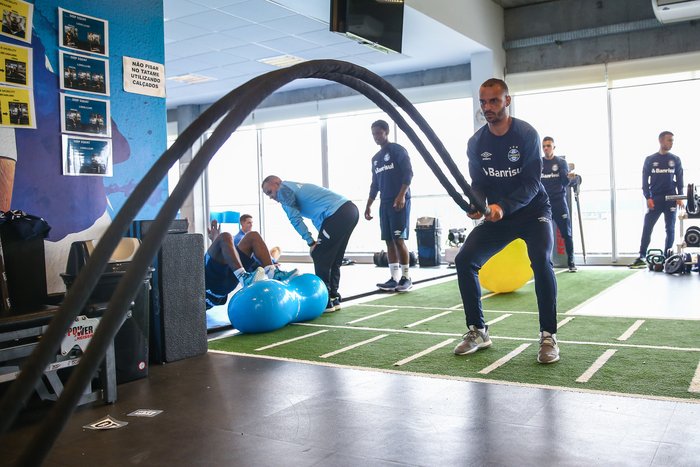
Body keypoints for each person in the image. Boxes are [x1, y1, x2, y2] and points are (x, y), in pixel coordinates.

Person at [453, 78, 560, 364]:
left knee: (540, 260)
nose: (487, 107)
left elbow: (532, 183)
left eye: (493, 101)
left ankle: (548, 335)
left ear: (507, 101)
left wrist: (504, 206)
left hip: (532, 211)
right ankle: (478, 330)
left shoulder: (526, 134)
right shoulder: (476, 142)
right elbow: (478, 183)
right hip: (498, 216)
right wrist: (476, 204)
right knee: (465, 260)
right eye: (483, 102)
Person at [261, 175, 359, 313]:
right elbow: (318, 218)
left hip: (337, 214)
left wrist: (311, 242)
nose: (271, 197)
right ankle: (333, 297)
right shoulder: (296, 186)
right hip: (350, 210)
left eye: (270, 192)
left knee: (319, 254)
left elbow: (295, 219)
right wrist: (321, 240)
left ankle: (324, 300)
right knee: (334, 258)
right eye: (267, 195)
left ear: (277, 183)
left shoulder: (284, 190)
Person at [364, 119, 414, 292]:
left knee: (398, 239)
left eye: (378, 133)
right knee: (388, 240)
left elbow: (408, 174)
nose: (376, 137)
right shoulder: (376, 159)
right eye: (373, 134)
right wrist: (369, 205)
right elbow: (374, 184)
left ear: (386, 132)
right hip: (384, 203)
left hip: (399, 201)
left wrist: (401, 196)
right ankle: (394, 278)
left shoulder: (397, 150)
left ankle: (407, 277)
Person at [204, 219, 297, 309]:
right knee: (225, 236)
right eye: (249, 222)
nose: (251, 225)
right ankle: (243, 277)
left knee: (253, 236)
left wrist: (215, 238)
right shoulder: (237, 237)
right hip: (210, 287)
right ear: (242, 223)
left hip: (227, 279)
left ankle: (273, 273)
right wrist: (215, 237)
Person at [629, 131, 684, 268]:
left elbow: (680, 180)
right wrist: (648, 197)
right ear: (661, 141)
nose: (671, 143)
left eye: (672, 140)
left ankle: (667, 258)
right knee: (647, 227)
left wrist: (679, 196)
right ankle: (642, 256)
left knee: (670, 228)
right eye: (669, 140)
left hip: (671, 198)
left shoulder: (675, 159)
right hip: (655, 199)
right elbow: (644, 181)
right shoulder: (650, 159)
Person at [541, 136, 577, 272]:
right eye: (544, 146)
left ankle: (571, 261)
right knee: (542, 234)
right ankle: (545, 263)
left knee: (566, 233)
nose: (546, 148)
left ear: (553, 147)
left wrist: (570, 178)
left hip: (559, 202)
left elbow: (565, 182)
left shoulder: (561, 162)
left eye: (548, 146)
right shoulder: (539, 162)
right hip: (544, 204)